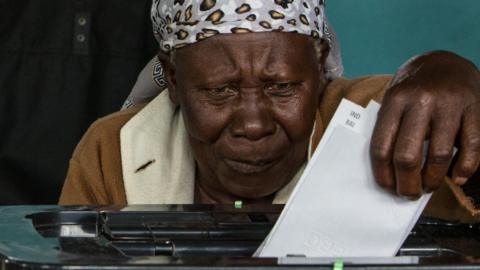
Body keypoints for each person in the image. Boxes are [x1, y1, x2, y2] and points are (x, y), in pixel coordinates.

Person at [59, 0, 479, 222]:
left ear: (319, 67)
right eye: (220, 90)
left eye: (281, 87)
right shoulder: (111, 151)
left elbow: (437, 118)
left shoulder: (374, 119)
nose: (254, 124)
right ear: (172, 78)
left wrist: (453, 78)